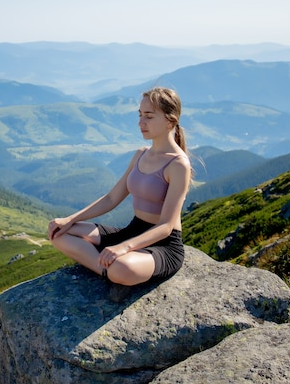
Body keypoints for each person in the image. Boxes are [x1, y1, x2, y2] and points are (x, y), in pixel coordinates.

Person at [47, 86, 191, 302]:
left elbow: (166, 226)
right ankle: (105, 268)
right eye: (140, 115)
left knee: (122, 267)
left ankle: (111, 269)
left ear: (170, 121)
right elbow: (111, 198)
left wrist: (123, 248)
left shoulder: (178, 164)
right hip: (132, 231)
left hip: (163, 245)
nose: (141, 122)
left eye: (149, 117)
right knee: (58, 232)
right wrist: (70, 219)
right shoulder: (141, 154)